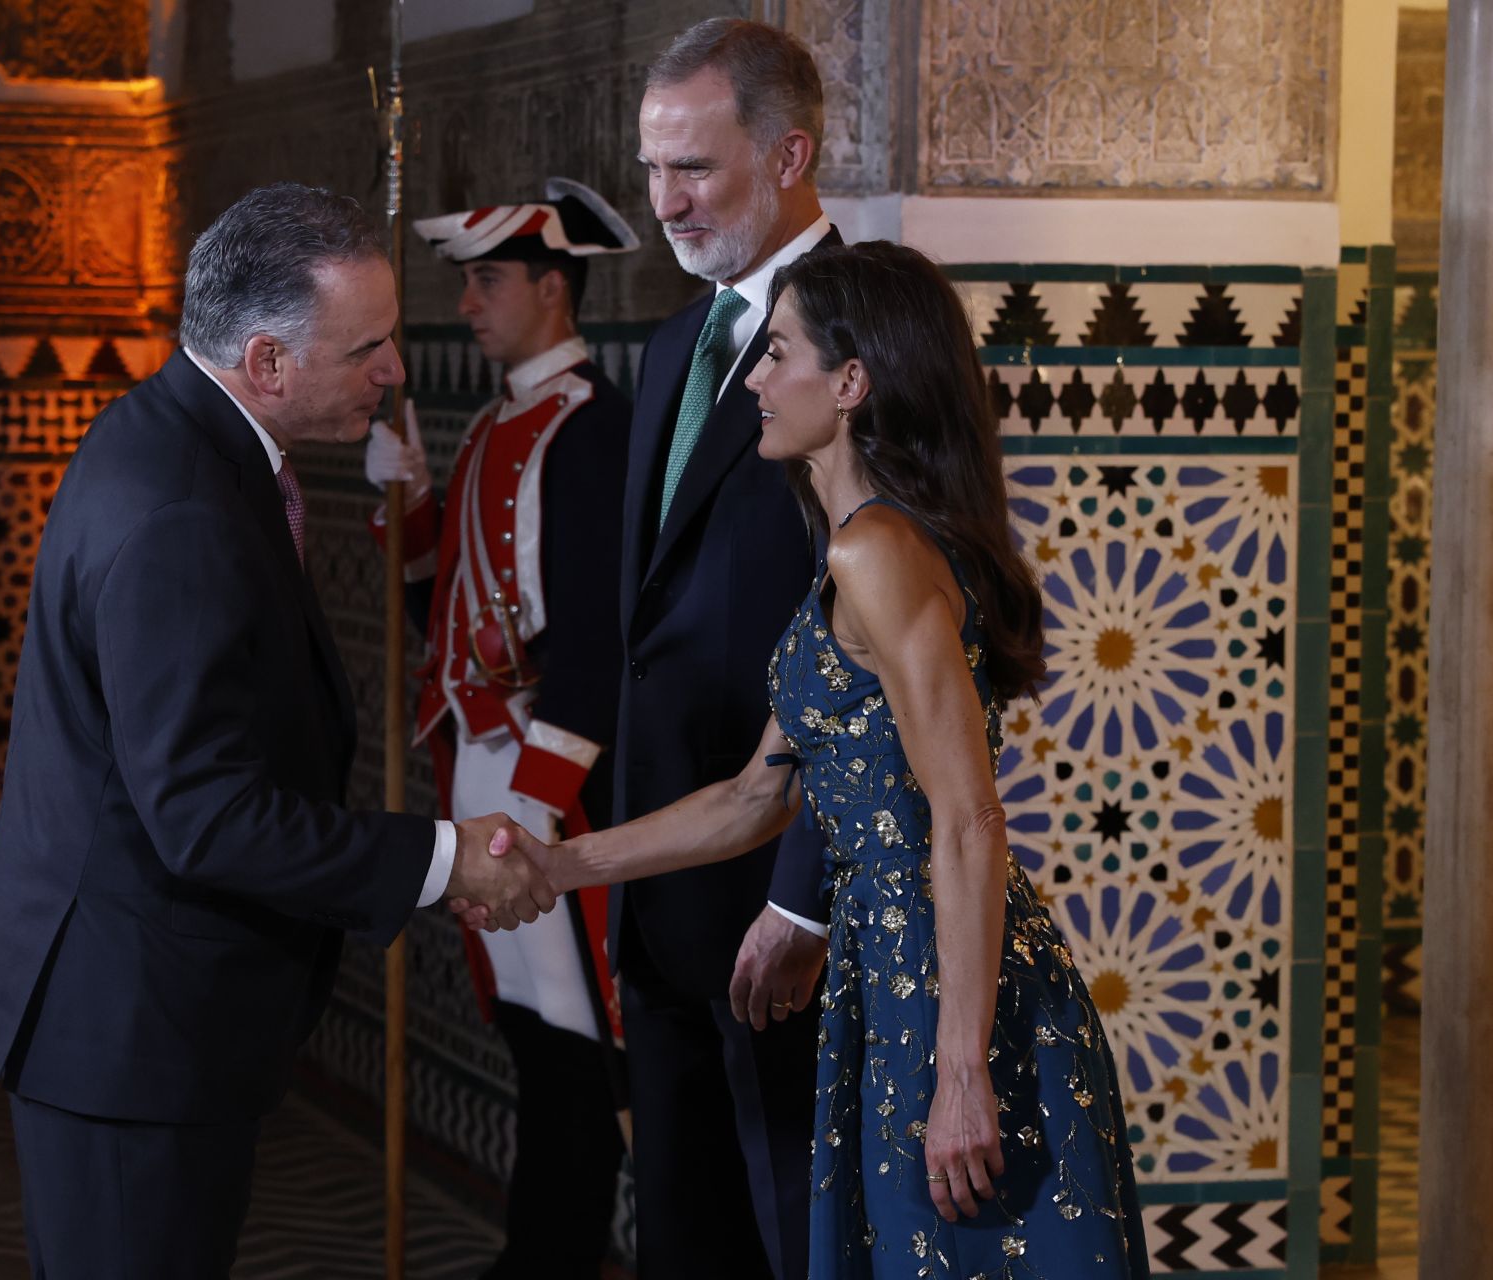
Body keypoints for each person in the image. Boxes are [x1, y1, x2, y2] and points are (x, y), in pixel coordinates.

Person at [0, 183, 556, 1280]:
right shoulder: (183, 508)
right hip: (128, 1033)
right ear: (267, 361)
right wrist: (442, 859)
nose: (394, 371)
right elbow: (205, 816)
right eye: (367, 348)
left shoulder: (177, 434)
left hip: (138, 1012)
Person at [536, 240, 1150, 1277]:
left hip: (950, 989)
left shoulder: (877, 552)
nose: (755, 380)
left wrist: (963, 1071)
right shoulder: (852, 545)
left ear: (852, 381)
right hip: (887, 975)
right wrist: (559, 865)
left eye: (777, 354)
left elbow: (968, 819)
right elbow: (753, 797)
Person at [364, 178, 638, 1278]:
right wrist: (408, 501)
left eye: (487, 281)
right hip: (479, 765)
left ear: (552, 288)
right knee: (531, 1031)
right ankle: (538, 1252)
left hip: (548, 781)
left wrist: (535, 804)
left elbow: (595, 643)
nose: (468, 304)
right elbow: (444, 604)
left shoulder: (592, 429)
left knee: (578, 1042)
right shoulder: (491, 423)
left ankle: (552, 1258)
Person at [620, 19, 840, 1278]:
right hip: (663, 884)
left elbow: (878, 643)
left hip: (783, 910)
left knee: (789, 1240)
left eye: (694, 168)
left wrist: (802, 893)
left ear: (789, 154)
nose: (666, 203)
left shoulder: (869, 333)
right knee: (685, 1236)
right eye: (653, 169)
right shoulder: (673, 344)